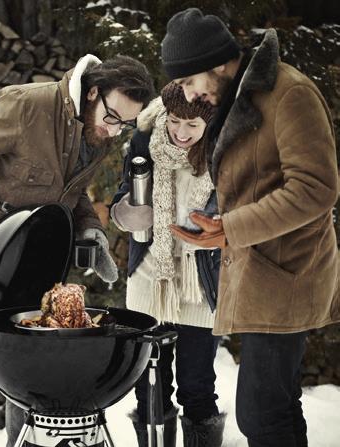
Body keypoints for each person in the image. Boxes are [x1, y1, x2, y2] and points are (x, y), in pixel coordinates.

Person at [0, 54, 155, 447]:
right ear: (93, 93)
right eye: (113, 117)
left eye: (126, 124)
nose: (115, 131)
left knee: (29, 374)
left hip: (42, 267)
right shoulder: (26, 105)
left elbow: (73, 193)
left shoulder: (94, 134)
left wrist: (90, 229)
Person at [162, 8, 339, 447]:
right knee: (270, 408)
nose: (188, 92)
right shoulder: (234, 97)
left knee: (263, 412)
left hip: (288, 270)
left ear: (216, 63)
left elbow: (316, 188)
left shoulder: (289, 93)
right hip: (258, 267)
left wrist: (230, 228)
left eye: (188, 81)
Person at [110, 82, 225, 447]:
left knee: (197, 386)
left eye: (192, 124)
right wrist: (128, 212)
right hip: (150, 279)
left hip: (198, 280)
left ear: (208, 124)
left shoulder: (224, 154)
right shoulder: (147, 142)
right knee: (149, 387)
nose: (181, 132)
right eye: (175, 120)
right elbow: (121, 197)